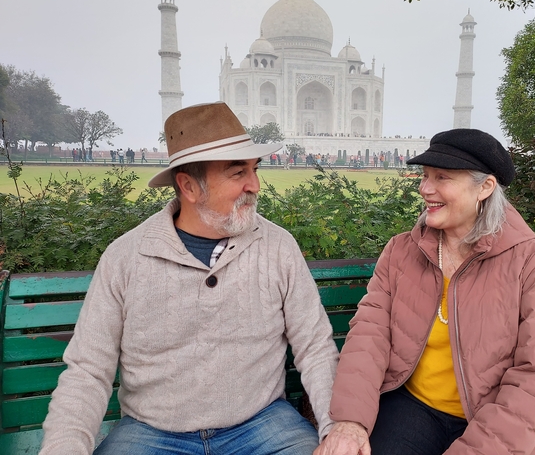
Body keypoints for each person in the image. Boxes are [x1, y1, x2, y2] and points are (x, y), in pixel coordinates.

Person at [40, 102, 339, 455]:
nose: (255, 185)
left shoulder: (277, 247)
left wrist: (336, 427)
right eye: (237, 172)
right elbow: (88, 371)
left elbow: (316, 349)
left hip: (262, 424)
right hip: (151, 432)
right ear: (189, 187)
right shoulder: (127, 257)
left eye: (254, 170)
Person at [315, 128, 535, 455]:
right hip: (413, 407)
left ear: (486, 187)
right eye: (425, 176)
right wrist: (351, 422)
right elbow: (369, 336)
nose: (425, 188)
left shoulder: (530, 262)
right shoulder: (401, 251)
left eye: (442, 178)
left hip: (496, 419)